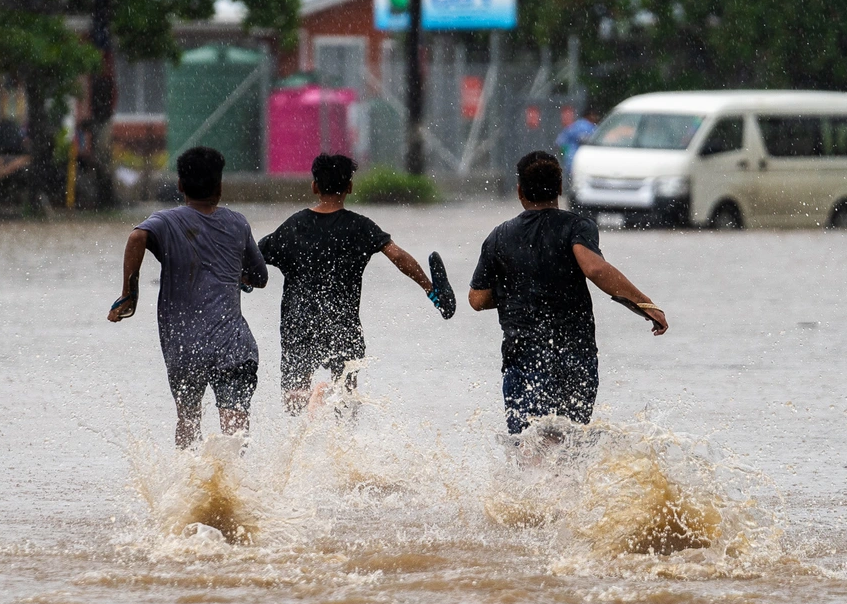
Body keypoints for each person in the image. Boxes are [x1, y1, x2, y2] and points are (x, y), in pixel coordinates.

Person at [469, 151, 668, 435]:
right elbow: (594, 268)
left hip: (523, 356)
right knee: (568, 445)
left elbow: (477, 299)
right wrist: (645, 305)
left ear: (519, 191)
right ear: (561, 188)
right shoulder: (577, 226)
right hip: (575, 355)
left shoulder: (499, 236)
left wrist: (517, 287)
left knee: (530, 445)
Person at [258, 153, 451, 415]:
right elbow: (398, 257)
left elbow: (252, 262)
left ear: (314, 186)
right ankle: (330, 399)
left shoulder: (292, 227)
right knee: (346, 404)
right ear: (350, 187)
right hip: (343, 325)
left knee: (295, 404)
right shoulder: (361, 227)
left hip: (298, 325)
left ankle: (313, 406)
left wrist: (243, 283)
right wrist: (431, 289)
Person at [107, 146, 268, 449]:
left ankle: (190, 486)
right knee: (235, 427)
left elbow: (136, 237)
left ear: (180, 185)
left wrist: (129, 294)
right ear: (220, 186)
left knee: (188, 420)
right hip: (232, 344)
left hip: (185, 346)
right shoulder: (237, 223)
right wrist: (238, 276)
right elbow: (259, 278)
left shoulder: (165, 222)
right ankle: (232, 487)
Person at [555, 107, 602, 184]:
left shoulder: (576, 124)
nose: (596, 118)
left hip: (571, 157)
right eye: (594, 115)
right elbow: (585, 139)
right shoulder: (585, 125)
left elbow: (560, 141)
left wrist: (564, 153)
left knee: (573, 180)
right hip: (579, 157)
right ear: (589, 115)